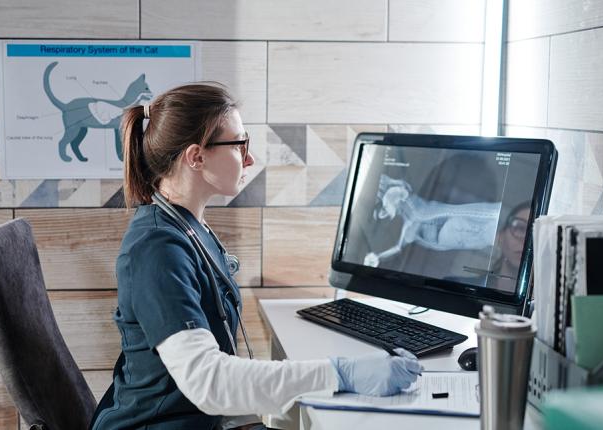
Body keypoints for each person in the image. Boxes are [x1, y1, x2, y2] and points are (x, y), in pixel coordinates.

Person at [90, 83, 423, 430]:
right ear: (196, 157)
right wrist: (341, 373)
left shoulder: (188, 228)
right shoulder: (156, 250)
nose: (249, 158)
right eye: (239, 144)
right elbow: (208, 382)